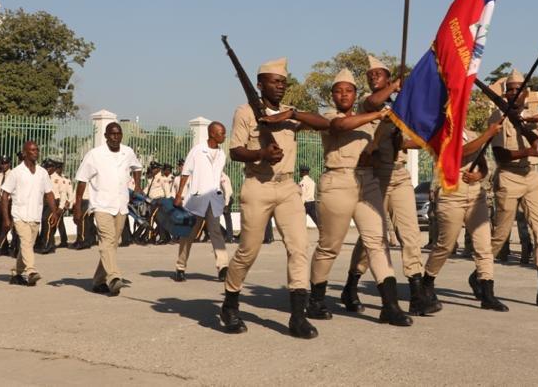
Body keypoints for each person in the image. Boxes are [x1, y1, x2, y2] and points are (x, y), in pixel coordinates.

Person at [221, 57, 329, 339]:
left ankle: (298, 316)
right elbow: (235, 151)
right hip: (258, 186)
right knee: (248, 251)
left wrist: (292, 113)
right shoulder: (245, 112)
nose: (281, 86)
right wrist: (261, 154)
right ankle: (230, 303)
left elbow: (324, 124)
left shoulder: (289, 115)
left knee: (299, 248)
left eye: (283, 82)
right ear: (260, 84)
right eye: (275, 81)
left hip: (287, 188)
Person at [307, 69, 411, 326]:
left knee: (378, 241)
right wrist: (378, 114)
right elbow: (341, 126)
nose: (343, 94)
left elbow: (386, 146)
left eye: (348, 90)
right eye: (338, 90)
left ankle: (390, 305)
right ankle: (316, 299)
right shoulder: (329, 116)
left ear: (355, 94)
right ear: (332, 95)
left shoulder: (373, 121)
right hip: (337, 181)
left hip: (368, 182)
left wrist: (382, 141)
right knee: (329, 246)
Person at [347, 55, 435, 316]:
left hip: (399, 174)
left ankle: (417, 292)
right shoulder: (367, 104)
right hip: (375, 177)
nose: (374, 77)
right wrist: (396, 84)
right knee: (373, 237)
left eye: (379, 74)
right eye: (370, 74)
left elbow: (418, 140)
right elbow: (374, 101)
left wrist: (400, 133)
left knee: (410, 234)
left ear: (386, 76)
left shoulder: (401, 107)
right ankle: (351, 284)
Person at [487, 70, 538, 308]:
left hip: (531, 176)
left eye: (518, 90)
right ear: (505, 94)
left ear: (526, 94)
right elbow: (499, 153)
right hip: (509, 176)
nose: (514, 94)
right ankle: (482, 276)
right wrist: (527, 151)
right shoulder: (497, 116)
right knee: (501, 235)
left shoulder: (530, 119)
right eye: (510, 90)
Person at [424, 122, 509, 312]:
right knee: (446, 245)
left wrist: (479, 175)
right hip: (451, 194)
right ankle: (427, 282)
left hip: (475, 196)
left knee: (484, 246)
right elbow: (460, 152)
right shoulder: (440, 134)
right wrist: (488, 134)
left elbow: (484, 166)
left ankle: (487, 294)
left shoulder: (471, 134)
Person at [73, 122, 142, 297]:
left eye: (118, 134)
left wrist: (138, 186)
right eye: (112, 134)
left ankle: (98, 281)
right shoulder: (94, 155)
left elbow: (138, 167)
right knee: (107, 240)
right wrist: (77, 206)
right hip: (101, 205)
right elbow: (82, 180)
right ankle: (113, 277)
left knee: (112, 245)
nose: (115, 137)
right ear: (105, 136)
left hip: (121, 205)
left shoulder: (128, 152)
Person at [173, 121, 230, 283]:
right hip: (197, 200)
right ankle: (180, 267)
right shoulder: (197, 151)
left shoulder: (222, 154)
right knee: (189, 235)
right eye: (222, 133)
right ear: (212, 134)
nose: (224, 136)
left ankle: (223, 267)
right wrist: (179, 194)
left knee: (216, 232)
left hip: (214, 200)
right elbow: (185, 173)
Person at [0, 141, 59, 286]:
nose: (35, 152)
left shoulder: (42, 172)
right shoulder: (16, 173)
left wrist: (55, 212)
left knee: (26, 247)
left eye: (37, 150)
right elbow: (4, 195)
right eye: (32, 150)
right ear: (25, 153)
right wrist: (6, 219)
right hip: (19, 215)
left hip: (35, 215)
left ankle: (17, 273)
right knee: (26, 243)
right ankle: (31, 271)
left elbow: (49, 193)